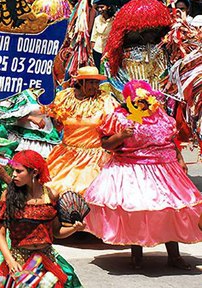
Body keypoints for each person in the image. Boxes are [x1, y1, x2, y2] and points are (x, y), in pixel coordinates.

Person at [85, 80, 202, 269]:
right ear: (130, 101)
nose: (144, 104)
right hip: (133, 169)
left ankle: (174, 256)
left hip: (165, 169)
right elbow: (106, 144)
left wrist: (179, 158)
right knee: (137, 210)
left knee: (170, 210)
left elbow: (170, 140)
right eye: (139, 100)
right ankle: (136, 256)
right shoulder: (119, 117)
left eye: (147, 99)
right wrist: (121, 136)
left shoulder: (159, 115)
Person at [0, 150, 84, 288]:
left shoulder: (51, 195)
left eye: (19, 171)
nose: (13, 175)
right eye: (13, 170)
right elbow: (0, 234)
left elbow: (56, 232)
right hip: (19, 260)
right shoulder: (8, 196)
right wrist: (10, 261)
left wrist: (74, 228)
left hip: (47, 259)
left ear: (34, 172)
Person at [44, 66, 118, 196]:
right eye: (91, 82)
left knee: (85, 191)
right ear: (80, 82)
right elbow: (57, 124)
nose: (95, 87)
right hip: (65, 156)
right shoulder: (64, 97)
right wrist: (57, 121)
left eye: (97, 82)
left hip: (93, 159)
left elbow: (113, 128)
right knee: (53, 189)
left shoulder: (105, 100)